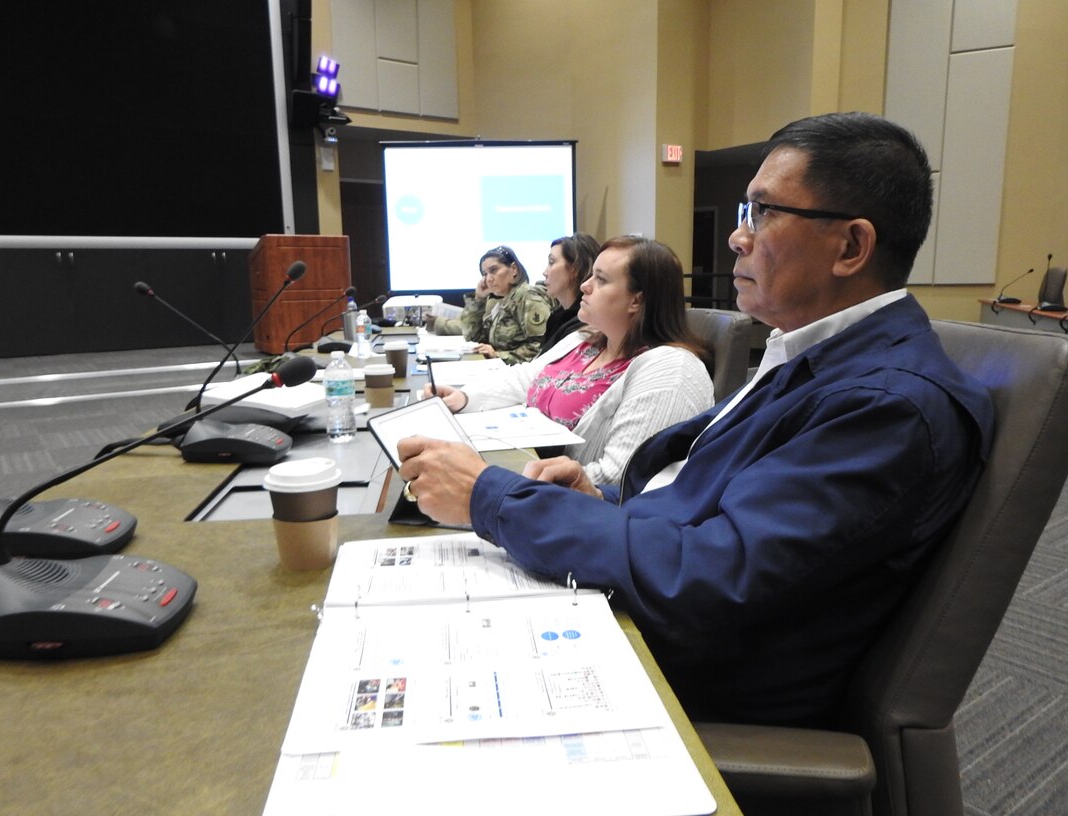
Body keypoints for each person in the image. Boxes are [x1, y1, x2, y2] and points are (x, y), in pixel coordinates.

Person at [398, 112, 995, 728]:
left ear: (850, 247)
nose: (738, 237)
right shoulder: (810, 352)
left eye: (762, 213)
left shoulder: (889, 405)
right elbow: (706, 497)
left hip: (683, 689)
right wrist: (602, 499)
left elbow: (710, 574)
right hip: (645, 623)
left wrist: (489, 498)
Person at [427, 236, 714, 484]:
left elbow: (618, 478)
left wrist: (505, 486)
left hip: (563, 502)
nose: (585, 287)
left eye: (600, 279)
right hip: (529, 475)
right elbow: (526, 377)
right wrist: (464, 397)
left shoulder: (670, 369)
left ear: (636, 301)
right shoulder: (585, 339)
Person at [459, 246, 555, 364]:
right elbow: (472, 337)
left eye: (494, 270)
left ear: (513, 269)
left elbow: (540, 347)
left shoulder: (528, 297)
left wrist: (498, 355)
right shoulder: (504, 302)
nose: (488, 279)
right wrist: (478, 300)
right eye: (484, 274)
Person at [537, 233, 601, 354]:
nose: (544, 272)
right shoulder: (557, 316)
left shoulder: (583, 324)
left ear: (575, 269)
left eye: (551, 262)